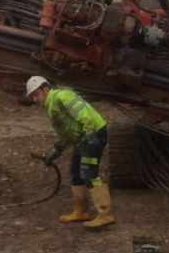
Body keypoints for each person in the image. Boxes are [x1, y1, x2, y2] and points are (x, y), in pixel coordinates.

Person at [26, 76, 115, 230]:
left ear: (45, 88)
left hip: (93, 134)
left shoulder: (62, 96)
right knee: (75, 173)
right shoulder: (51, 106)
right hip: (83, 138)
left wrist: (90, 135)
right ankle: (80, 211)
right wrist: (55, 151)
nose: (34, 99)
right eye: (32, 96)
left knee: (89, 173)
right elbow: (66, 133)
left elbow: (83, 114)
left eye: (35, 94)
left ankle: (105, 214)